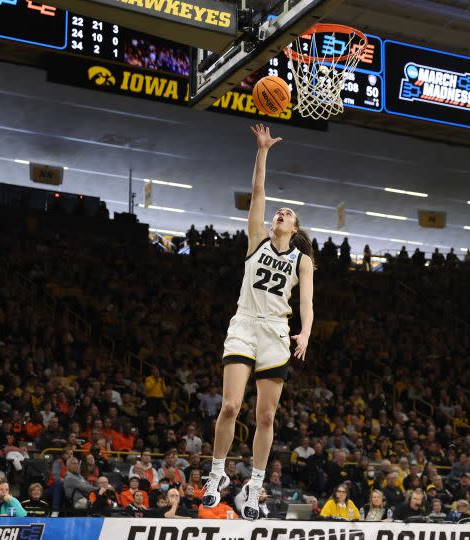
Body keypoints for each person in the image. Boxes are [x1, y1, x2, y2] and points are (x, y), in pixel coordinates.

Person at [203, 124, 315, 521]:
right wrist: (263, 150)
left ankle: (255, 485)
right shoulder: (256, 239)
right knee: (232, 405)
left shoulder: (302, 260)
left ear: (295, 229)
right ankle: (216, 473)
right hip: (245, 324)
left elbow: (308, 303)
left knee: (265, 416)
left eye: (289, 214)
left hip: (276, 332)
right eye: (279, 211)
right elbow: (258, 192)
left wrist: (305, 332)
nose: (281, 213)